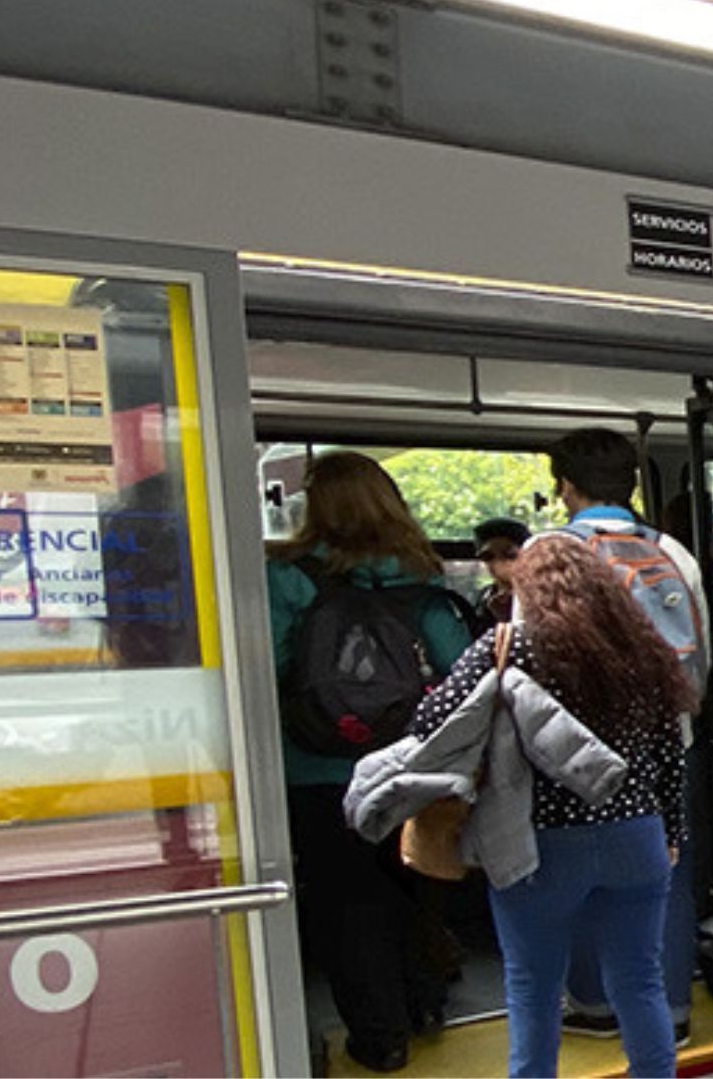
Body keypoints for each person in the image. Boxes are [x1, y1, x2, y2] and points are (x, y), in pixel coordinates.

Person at [405, 536, 695, 1078]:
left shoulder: (508, 647)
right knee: (639, 980)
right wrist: (672, 833)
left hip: (539, 844)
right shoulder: (642, 651)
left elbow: (430, 723)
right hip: (638, 836)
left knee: (533, 986)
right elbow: (668, 755)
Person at [266, 451, 473, 1073]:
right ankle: (426, 1003)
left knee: (347, 904)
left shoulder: (289, 578)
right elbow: (462, 677)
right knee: (414, 887)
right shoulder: (422, 580)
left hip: (319, 769)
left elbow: (269, 669)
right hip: (412, 767)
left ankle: (380, 1037)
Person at [547, 429, 711, 1048]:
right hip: (668, 741)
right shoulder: (673, 553)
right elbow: (701, 659)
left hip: (580, 751)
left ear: (566, 485)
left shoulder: (552, 553)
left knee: (581, 877)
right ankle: (671, 1012)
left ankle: (594, 1006)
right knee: (667, 873)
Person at [473, 516, 531, 630]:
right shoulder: (484, 600)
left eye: (510, 556)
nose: (499, 566)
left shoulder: (542, 597)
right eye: (488, 557)